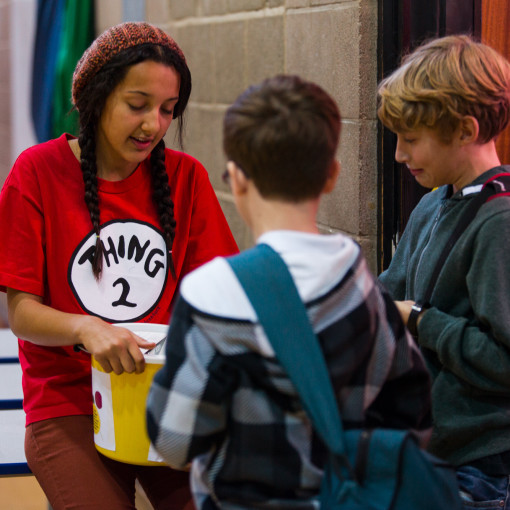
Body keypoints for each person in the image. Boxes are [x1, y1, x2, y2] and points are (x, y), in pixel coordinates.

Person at [146, 74, 433, 509]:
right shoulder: (359, 281)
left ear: (237, 180)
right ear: (332, 175)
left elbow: (174, 440)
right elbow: (411, 404)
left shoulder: (211, 295)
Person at [0, 21, 238, 510]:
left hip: (166, 395)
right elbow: (22, 314)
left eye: (168, 110)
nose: (153, 123)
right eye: (137, 105)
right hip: (67, 404)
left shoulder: (186, 178)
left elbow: (220, 297)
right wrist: (87, 328)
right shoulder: (36, 172)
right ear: (96, 97)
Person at [377, 35, 510, 508]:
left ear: (464, 130)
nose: (398, 154)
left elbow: (503, 359)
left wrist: (419, 318)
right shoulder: (434, 202)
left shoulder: (499, 222)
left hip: (477, 472)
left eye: (411, 140)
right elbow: (388, 291)